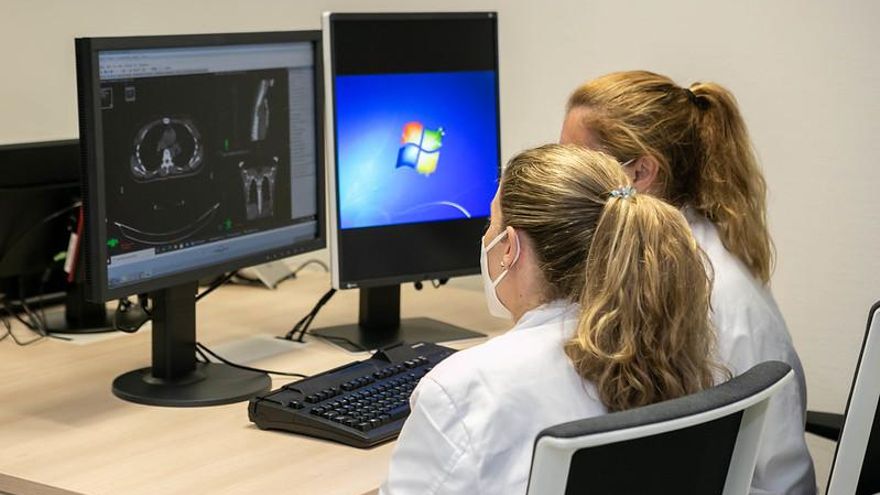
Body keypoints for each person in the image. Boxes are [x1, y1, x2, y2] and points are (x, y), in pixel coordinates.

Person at [381, 144, 720, 494]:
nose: (485, 238)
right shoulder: (660, 348)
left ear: (510, 247)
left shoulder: (463, 388)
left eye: (491, 221)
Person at [560, 70, 815, 494]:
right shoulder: (652, 260)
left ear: (640, 171)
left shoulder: (719, 293)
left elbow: (781, 479)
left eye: (577, 161)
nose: (562, 176)